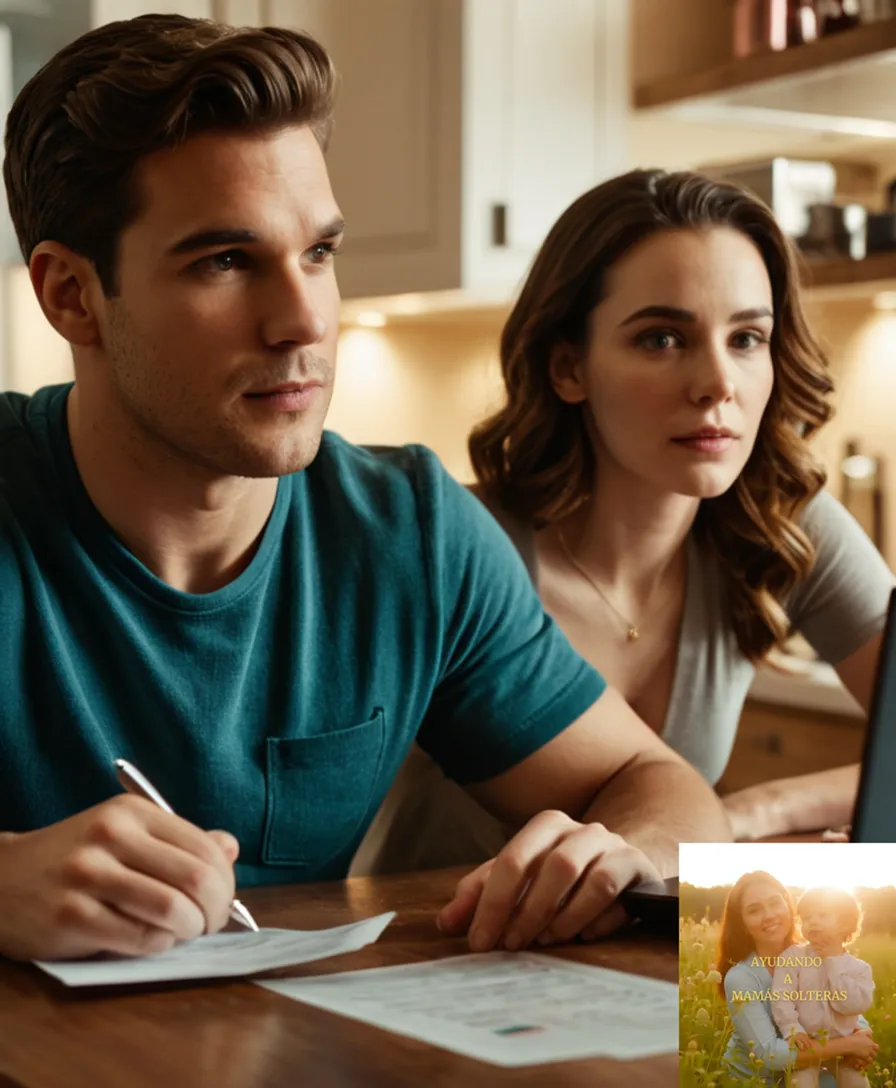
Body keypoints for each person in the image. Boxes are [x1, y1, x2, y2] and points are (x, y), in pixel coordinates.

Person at [0, 14, 732, 963]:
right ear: (70, 295)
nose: (303, 319)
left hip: (304, 1051)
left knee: (815, 1046)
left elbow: (659, 783)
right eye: (224, 261)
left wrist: (622, 852)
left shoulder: (410, 532)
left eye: (320, 253)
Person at [350, 166, 894, 876]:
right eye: (662, 339)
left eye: (747, 338)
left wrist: (761, 809)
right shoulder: (456, 542)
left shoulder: (780, 523)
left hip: (631, 963)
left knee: (832, 983)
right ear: (568, 367)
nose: (718, 384)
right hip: (434, 959)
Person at [719, 872, 877, 1085]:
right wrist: (850, 1045)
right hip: (757, 1080)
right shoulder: (741, 978)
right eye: (754, 910)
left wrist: (862, 1032)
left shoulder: (815, 953)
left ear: (788, 906)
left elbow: (839, 1003)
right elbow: (768, 1054)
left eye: (775, 903)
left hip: (812, 1065)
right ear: (743, 924)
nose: (769, 915)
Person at [771, 887, 874, 1088]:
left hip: (843, 1049)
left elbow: (852, 1006)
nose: (813, 922)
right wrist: (793, 1030)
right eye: (807, 918)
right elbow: (781, 997)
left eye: (823, 915)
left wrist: (833, 961)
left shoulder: (859, 969)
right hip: (807, 1044)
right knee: (800, 1083)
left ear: (845, 923)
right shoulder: (792, 958)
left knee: (858, 1084)